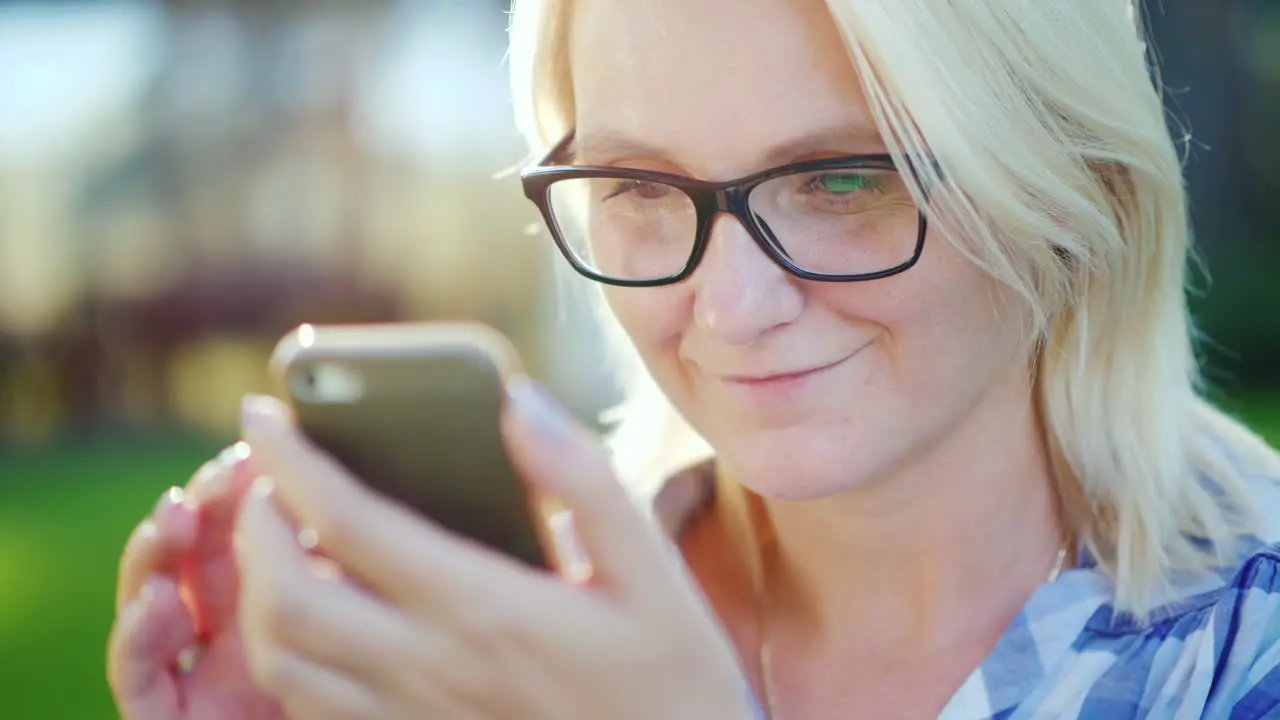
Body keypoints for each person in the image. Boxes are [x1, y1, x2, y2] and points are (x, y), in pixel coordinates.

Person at [107, 0, 1280, 717]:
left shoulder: (1242, 650)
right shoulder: (504, 636)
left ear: (1074, 185)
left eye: (844, 179)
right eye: (634, 186)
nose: (727, 307)